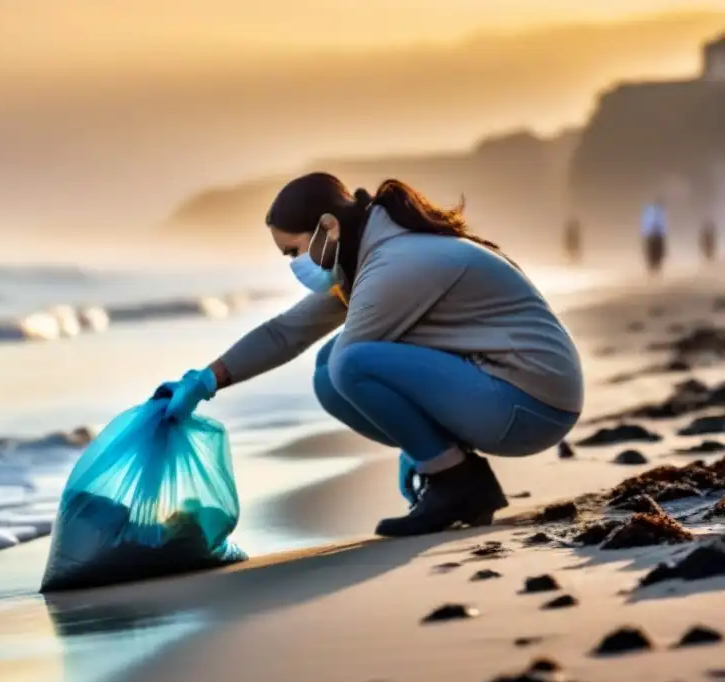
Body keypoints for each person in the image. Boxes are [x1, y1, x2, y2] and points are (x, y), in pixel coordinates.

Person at [154, 173, 583, 537]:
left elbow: (349, 358)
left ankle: (453, 479)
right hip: (513, 396)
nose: (292, 263)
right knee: (328, 367)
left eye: (292, 251)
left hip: (530, 405)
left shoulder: (395, 264)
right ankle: (457, 478)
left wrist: (420, 450)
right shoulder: (372, 258)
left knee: (347, 361)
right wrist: (204, 381)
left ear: (329, 227)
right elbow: (286, 333)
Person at [640, 200, 667, 275]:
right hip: (655, 237)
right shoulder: (656, 259)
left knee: (654, 218)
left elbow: (649, 249)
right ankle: (656, 207)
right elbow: (661, 249)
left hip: (653, 237)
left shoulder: (656, 259)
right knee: (654, 218)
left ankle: (655, 207)